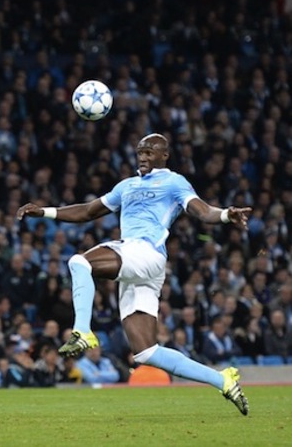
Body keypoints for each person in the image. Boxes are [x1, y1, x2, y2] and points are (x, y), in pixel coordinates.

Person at [17, 133, 251, 415]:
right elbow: (87, 211)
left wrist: (226, 214)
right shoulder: (126, 186)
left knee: (80, 262)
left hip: (145, 252)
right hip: (141, 266)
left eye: (150, 151)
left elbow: (201, 211)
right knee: (146, 351)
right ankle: (222, 380)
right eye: (140, 151)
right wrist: (44, 211)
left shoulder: (174, 181)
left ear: (165, 155)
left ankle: (82, 330)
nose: (143, 156)